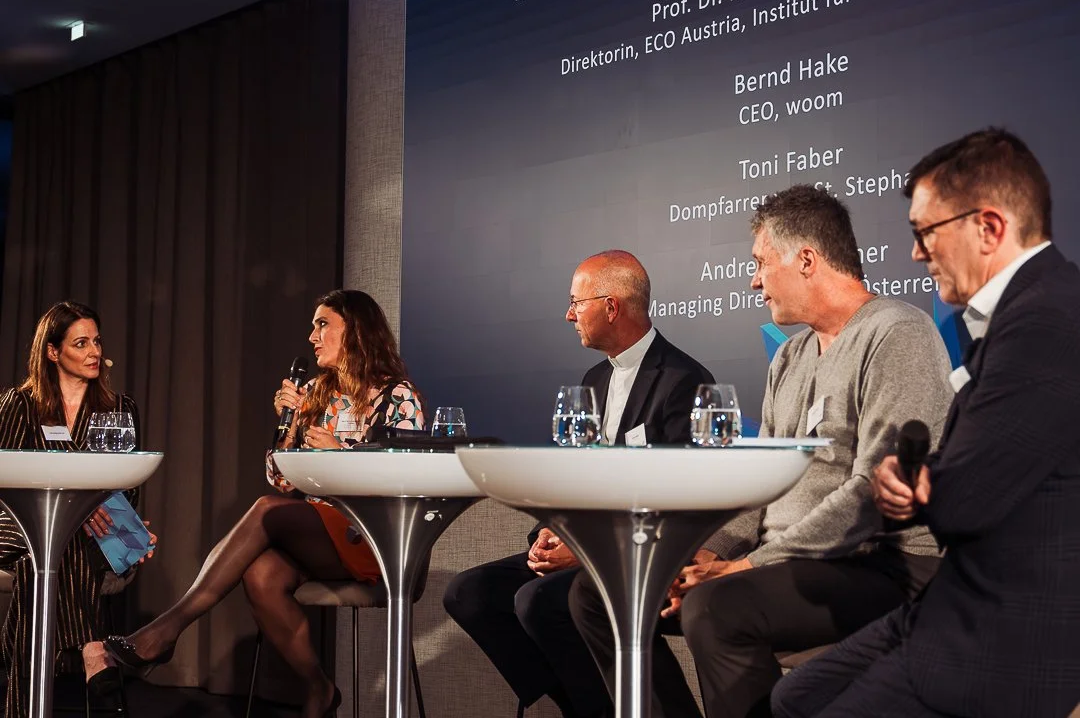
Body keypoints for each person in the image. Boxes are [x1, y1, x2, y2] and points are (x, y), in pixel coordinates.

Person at [570, 186, 955, 718]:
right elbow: (762, 486)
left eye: (760, 263)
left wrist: (747, 565)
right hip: (783, 560)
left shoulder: (897, 332)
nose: (754, 281)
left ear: (806, 260)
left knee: (716, 608)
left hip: (881, 562)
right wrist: (711, 553)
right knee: (600, 594)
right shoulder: (790, 355)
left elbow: (872, 493)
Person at [771, 130, 1080, 718]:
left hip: (1000, 637)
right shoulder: (1022, 313)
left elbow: (967, 502)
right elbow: (990, 464)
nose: (916, 253)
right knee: (793, 697)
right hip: (953, 604)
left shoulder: (1045, 322)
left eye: (925, 232)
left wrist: (917, 488)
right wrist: (917, 480)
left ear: (988, 228)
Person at [104, 289, 425, 718]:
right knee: (260, 575)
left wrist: (341, 453)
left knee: (267, 509)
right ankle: (319, 688)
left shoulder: (398, 396)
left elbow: (406, 480)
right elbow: (281, 480)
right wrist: (288, 427)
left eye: (323, 324)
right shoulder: (317, 393)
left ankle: (165, 631)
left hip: (373, 537)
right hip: (320, 536)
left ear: (356, 331)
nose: (312, 336)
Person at [442, 250, 714, 718]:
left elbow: (679, 500)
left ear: (611, 307)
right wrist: (552, 530)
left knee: (539, 601)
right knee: (471, 594)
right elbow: (571, 476)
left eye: (576, 302)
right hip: (582, 545)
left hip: (637, 552)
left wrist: (587, 548)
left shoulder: (683, 380)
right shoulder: (593, 380)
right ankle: (589, 706)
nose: (569, 315)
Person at [0, 301, 150, 716]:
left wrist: (114, 523)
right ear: (52, 351)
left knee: (43, 557)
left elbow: (128, 490)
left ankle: (22, 703)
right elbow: (5, 481)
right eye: (80, 343)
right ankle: (94, 651)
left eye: (96, 342)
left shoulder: (119, 409)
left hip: (102, 537)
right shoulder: (20, 404)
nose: (94, 352)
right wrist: (76, 511)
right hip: (17, 527)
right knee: (47, 540)